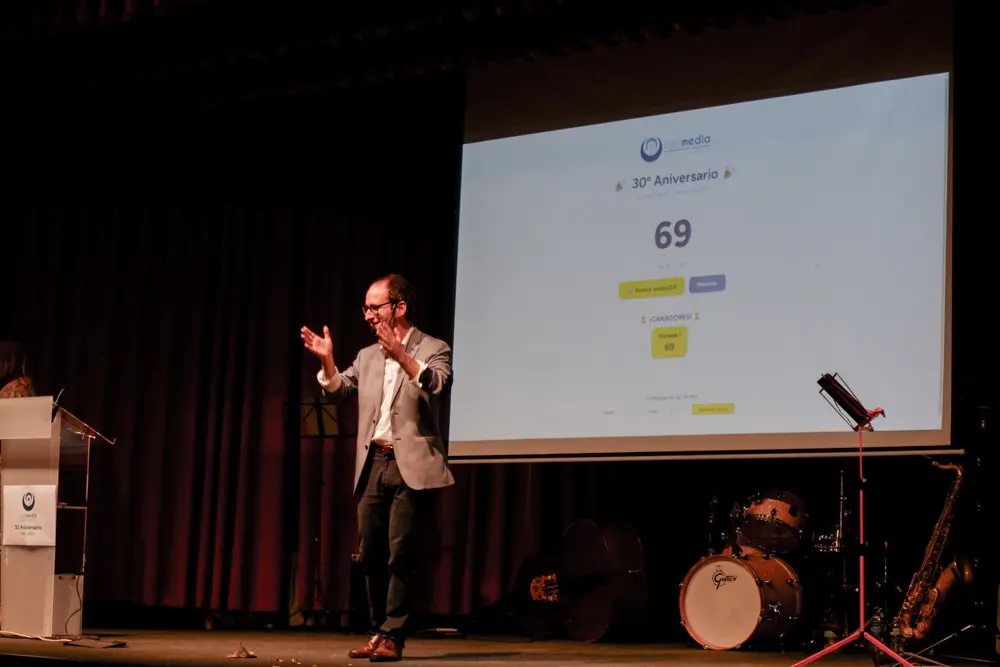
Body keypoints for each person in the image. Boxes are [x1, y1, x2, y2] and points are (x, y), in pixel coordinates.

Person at [300, 274, 454, 662]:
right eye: (365, 308)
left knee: (401, 554)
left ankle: (393, 634)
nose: (368, 315)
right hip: (374, 464)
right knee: (370, 553)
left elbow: (439, 384)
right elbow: (339, 390)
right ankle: (377, 630)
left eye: (375, 307)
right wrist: (328, 361)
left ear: (399, 307)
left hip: (410, 465)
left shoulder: (434, 347)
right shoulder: (368, 356)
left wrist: (402, 356)